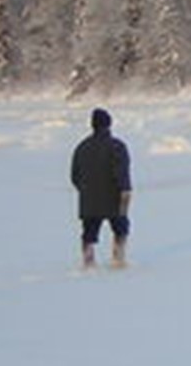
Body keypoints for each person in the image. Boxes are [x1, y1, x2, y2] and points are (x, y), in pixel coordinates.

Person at [70, 107, 133, 269]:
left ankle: (88, 261)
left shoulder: (82, 147)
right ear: (109, 124)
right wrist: (125, 191)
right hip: (113, 197)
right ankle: (118, 259)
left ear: (93, 125)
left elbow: (75, 176)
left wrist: (86, 190)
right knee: (120, 228)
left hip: (89, 199)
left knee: (89, 233)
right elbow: (121, 172)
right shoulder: (117, 146)